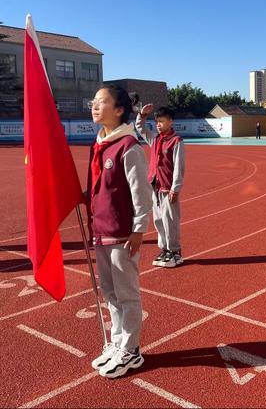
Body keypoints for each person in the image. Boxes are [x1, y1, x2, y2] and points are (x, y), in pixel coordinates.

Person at [87, 84, 152, 378]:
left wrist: (139, 229)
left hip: (122, 235)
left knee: (127, 295)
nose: (95, 106)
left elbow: (141, 193)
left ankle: (131, 350)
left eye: (102, 102)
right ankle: (117, 343)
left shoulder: (128, 147)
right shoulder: (99, 144)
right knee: (110, 294)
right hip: (101, 231)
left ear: (119, 110)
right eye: (94, 101)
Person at [136, 104, 186, 268]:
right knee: (158, 220)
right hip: (154, 187)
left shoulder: (176, 141)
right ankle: (164, 249)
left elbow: (179, 166)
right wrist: (142, 115)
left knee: (169, 220)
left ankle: (175, 251)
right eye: (157, 122)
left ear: (170, 121)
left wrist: (175, 188)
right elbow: (140, 128)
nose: (158, 125)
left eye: (162, 121)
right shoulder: (155, 139)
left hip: (168, 188)